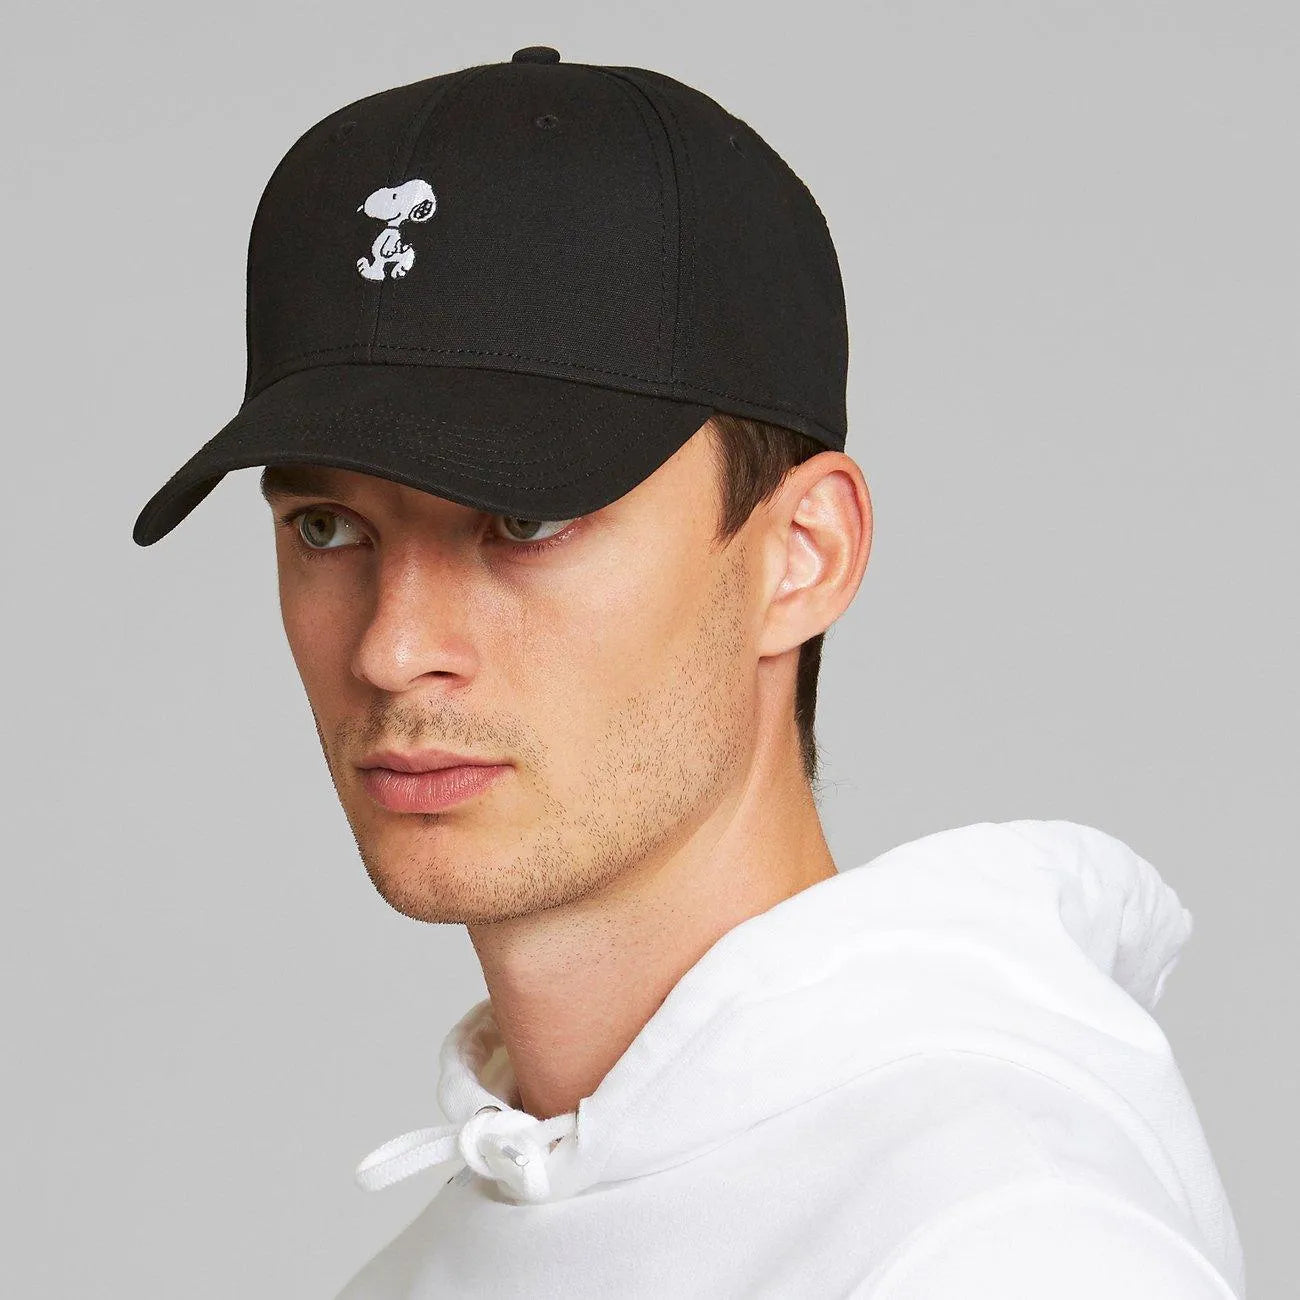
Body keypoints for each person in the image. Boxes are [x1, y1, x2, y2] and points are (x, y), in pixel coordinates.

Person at [131, 46, 1246, 1300]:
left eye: (525, 521)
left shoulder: (1001, 1241)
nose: (389, 649)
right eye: (327, 527)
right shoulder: (443, 1259)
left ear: (801, 555)